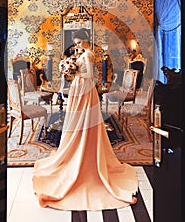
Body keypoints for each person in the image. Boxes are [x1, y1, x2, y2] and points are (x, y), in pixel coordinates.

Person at [33, 28, 138, 210]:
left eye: (79, 42)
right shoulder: (82, 53)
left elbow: (90, 75)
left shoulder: (88, 55)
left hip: (84, 89)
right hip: (79, 88)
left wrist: (72, 72)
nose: (77, 45)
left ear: (86, 40)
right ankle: (76, 149)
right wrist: (68, 67)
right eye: (76, 42)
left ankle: (85, 153)